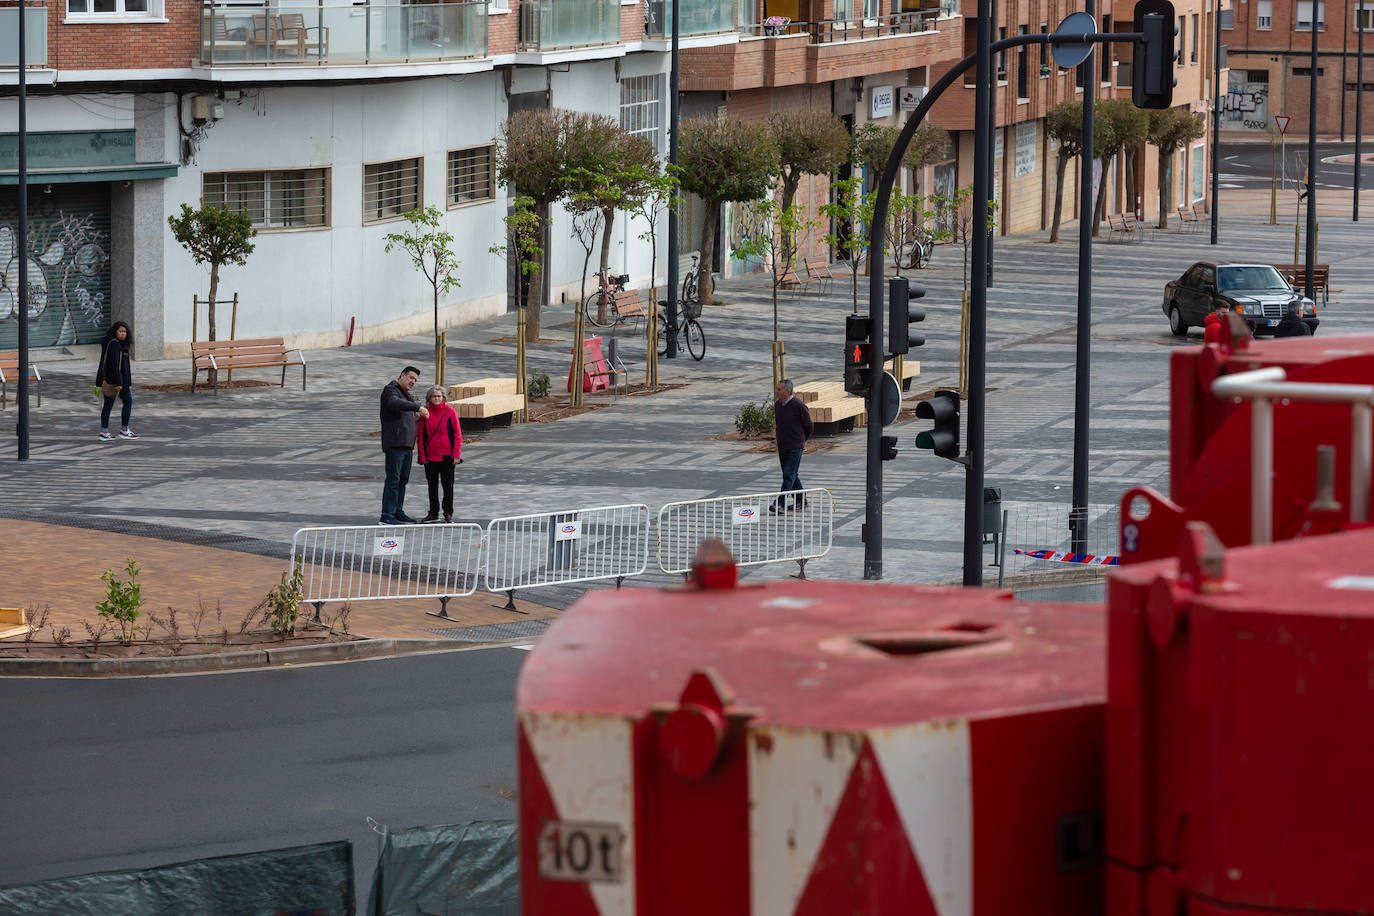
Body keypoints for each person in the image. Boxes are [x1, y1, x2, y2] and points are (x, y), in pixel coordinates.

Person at [379, 366, 428, 525]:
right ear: (402, 375)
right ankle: (387, 515)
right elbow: (394, 403)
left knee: (402, 480)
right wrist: (417, 406)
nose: (413, 381)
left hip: (407, 444)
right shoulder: (391, 390)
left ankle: (397, 511)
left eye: (415, 380)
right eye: (411, 377)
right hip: (395, 443)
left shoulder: (407, 395)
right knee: (393, 480)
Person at [416, 385, 462, 523]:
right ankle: (433, 513)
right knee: (432, 487)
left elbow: (457, 435)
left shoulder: (450, 412)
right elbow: (421, 436)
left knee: (448, 487)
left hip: (447, 458)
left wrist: (456, 455)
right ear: (429, 398)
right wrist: (422, 456)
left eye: (439, 396)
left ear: (443, 398)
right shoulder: (425, 413)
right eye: (434, 396)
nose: (436, 398)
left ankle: (448, 513)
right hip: (430, 458)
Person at [771, 378, 812, 513]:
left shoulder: (798, 405)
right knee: (791, 473)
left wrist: (802, 440)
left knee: (788, 474)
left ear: (787, 391)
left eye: (779, 389)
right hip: (783, 445)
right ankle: (801, 501)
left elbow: (809, 425)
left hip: (795, 446)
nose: (776, 392)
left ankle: (780, 503)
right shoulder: (778, 405)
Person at [96, 321, 137, 441]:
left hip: (112, 380)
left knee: (108, 406)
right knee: (128, 402)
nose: (123, 334)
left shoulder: (113, 343)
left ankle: (104, 432)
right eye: (121, 331)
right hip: (117, 382)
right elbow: (114, 365)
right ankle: (124, 430)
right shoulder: (115, 344)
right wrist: (119, 383)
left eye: (125, 332)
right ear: (115, 331)